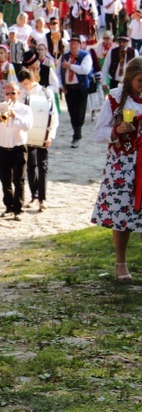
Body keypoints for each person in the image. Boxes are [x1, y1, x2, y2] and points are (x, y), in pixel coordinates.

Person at [91, 57, 142, 283]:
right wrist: (118, 129)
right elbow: (98, 133)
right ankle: (121, 263)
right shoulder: (114, 98)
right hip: (122, 165)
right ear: (130, 78)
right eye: (141, 80)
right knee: (122, 214)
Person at [0, 81, 34, 221]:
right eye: (7, 93)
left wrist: (14, 115)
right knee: (5, 180)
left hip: (19, 148)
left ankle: (18, 209)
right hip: (2, 148)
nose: (10, 96)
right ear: (4, 94)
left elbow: (27, 126)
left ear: (18, 94)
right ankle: (8, 207)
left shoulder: (24, 109)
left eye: (13, 93)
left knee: (19, 180)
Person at [18, 56, 59, 212]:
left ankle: (42, 198)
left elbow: (53, 115)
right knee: (30, 165)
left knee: (42, 166)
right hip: (28, 135)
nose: (25, 87)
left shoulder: (45, 92)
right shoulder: (22, 94)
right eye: (23, 85)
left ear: (32, 79)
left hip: (43, 134)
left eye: (27, 84)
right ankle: (34, 196)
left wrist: (50, 135)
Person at [60, 34, 93, 148]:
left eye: (75, 44)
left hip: (80, 88)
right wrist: (62, 85)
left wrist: (70, 66)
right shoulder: (64, 56)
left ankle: (77, 136)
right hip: (69, 89)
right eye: (71, 44)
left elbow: (84, 70)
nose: (73, 46)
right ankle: (76, 133)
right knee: (72, 112)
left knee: (79, 113)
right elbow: (59, 72)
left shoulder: (85, 56)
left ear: (79, 45)